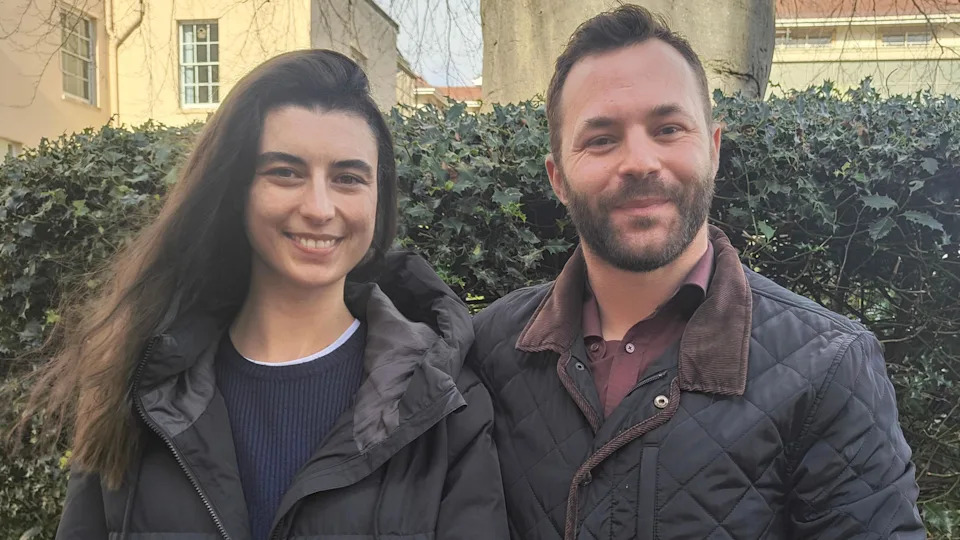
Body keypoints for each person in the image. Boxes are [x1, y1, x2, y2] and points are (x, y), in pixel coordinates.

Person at [468, 5, 924, 539]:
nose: (639, 161)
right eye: (600, 138)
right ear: (558, 178)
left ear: (712, 148)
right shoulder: (492, 347)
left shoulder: (828, 367)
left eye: (667, 128)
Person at [21, 49, 507, 540]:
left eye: (348, 178)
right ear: (236, 189)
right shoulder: (139, 386)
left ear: (378, 199)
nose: (319, 207)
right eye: (285, 172)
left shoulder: (445, 401)